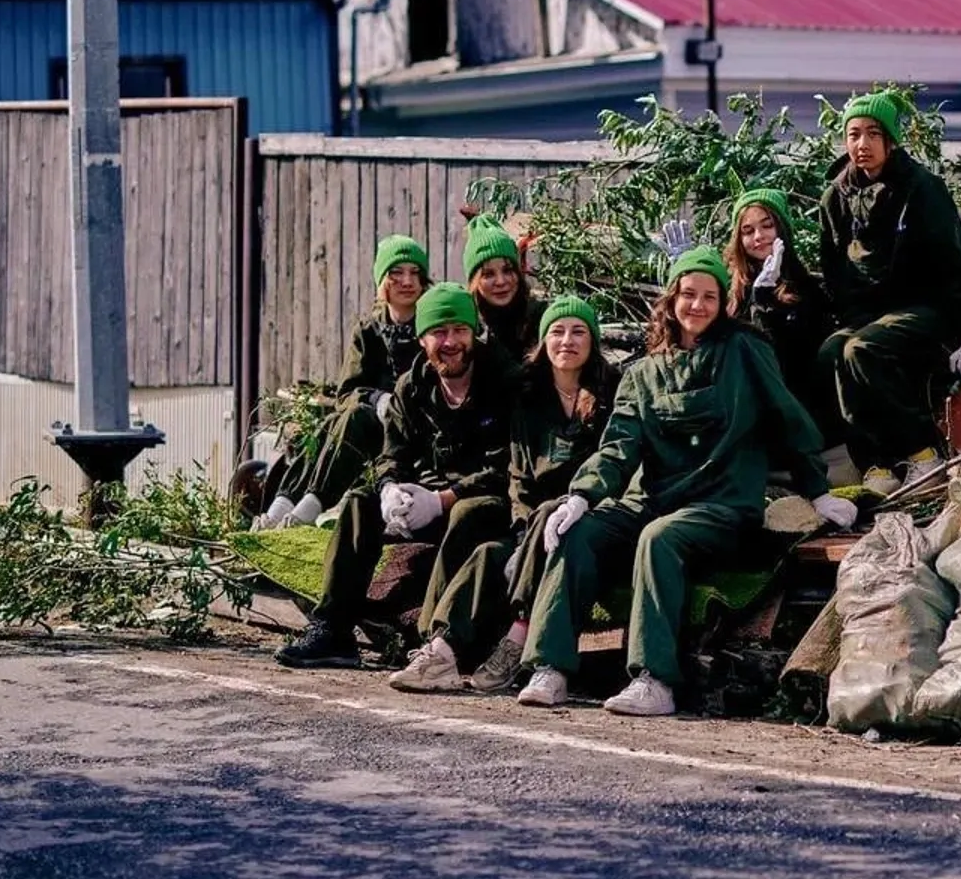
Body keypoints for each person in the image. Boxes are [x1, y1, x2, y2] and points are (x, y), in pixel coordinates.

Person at [515, 248, 856, 716]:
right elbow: (618, 447)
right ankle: (550, 668)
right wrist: (581, 495)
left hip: (723, 505)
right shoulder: (642, 373)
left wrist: (818, 491)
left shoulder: (744, 352)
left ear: (722, 303)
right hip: (652, 499)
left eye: (709, 297)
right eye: (688, 294)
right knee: (578, 531)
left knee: (659, 539)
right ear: (672, 299)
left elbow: (787, 417)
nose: (697, 305)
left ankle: (655, 681)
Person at [275, 283, 518, 670]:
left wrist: (440, 501)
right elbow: (393, 453)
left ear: (475, 332)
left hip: (479, 500)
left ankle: (436, 640)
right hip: (422, 495)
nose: (450, 341)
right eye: (439, 332)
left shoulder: (507, 380)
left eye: (459, 329)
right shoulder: (412, 385)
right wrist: (391, 490)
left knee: (468, 512)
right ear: (422, 339)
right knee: (359, 501)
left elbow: (506, 469)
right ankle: (333, 630)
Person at [388, 295, 621, 693]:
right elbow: (519, 479)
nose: (567, 341)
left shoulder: (612, 393)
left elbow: (616, 463)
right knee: (489, 555)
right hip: (534, 529)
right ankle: (442, 650)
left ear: (592, 342)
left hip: (594, 523)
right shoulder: (529, 399)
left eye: (578, 331)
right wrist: (521, 534)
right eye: (557, 331)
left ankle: (517, 639)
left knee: (551, 511)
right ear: (544, 342)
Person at [817, 91, 961, 498]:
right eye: (853, 134)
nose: (862, 145)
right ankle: (876, 464)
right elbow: (834, 269)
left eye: (873, 134)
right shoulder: (837, 197)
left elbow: (956, 257)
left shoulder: (921, 189)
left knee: (861, 350)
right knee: (832, 351)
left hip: (927, 307)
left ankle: (923, 455)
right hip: (871, 313)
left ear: (891, 140)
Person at [254, 235, 430, 531]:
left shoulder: (432, 324)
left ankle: (310, 506)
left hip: (416, 426)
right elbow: (347, 392)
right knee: (333, 423)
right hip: (375, 427)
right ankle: (282, 506)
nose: (407, 281)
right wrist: (378, 401)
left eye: (415, 273)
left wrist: (392, 403)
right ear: (381, 281)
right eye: (396, 273)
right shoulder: (369, 331)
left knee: (355, 416)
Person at [722, 188, 839, 447]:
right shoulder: (733, 293)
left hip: (792, 413)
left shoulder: (806, 290)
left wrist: (765, 301)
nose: (759, 237)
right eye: (748, 231)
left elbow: (779, 360)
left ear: (782, 230)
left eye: (767, 226)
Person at [463, 215, 545, 360]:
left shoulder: (541, 318)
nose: (500, 281)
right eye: (488, 274)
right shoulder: (466, 327)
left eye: (507, 270)